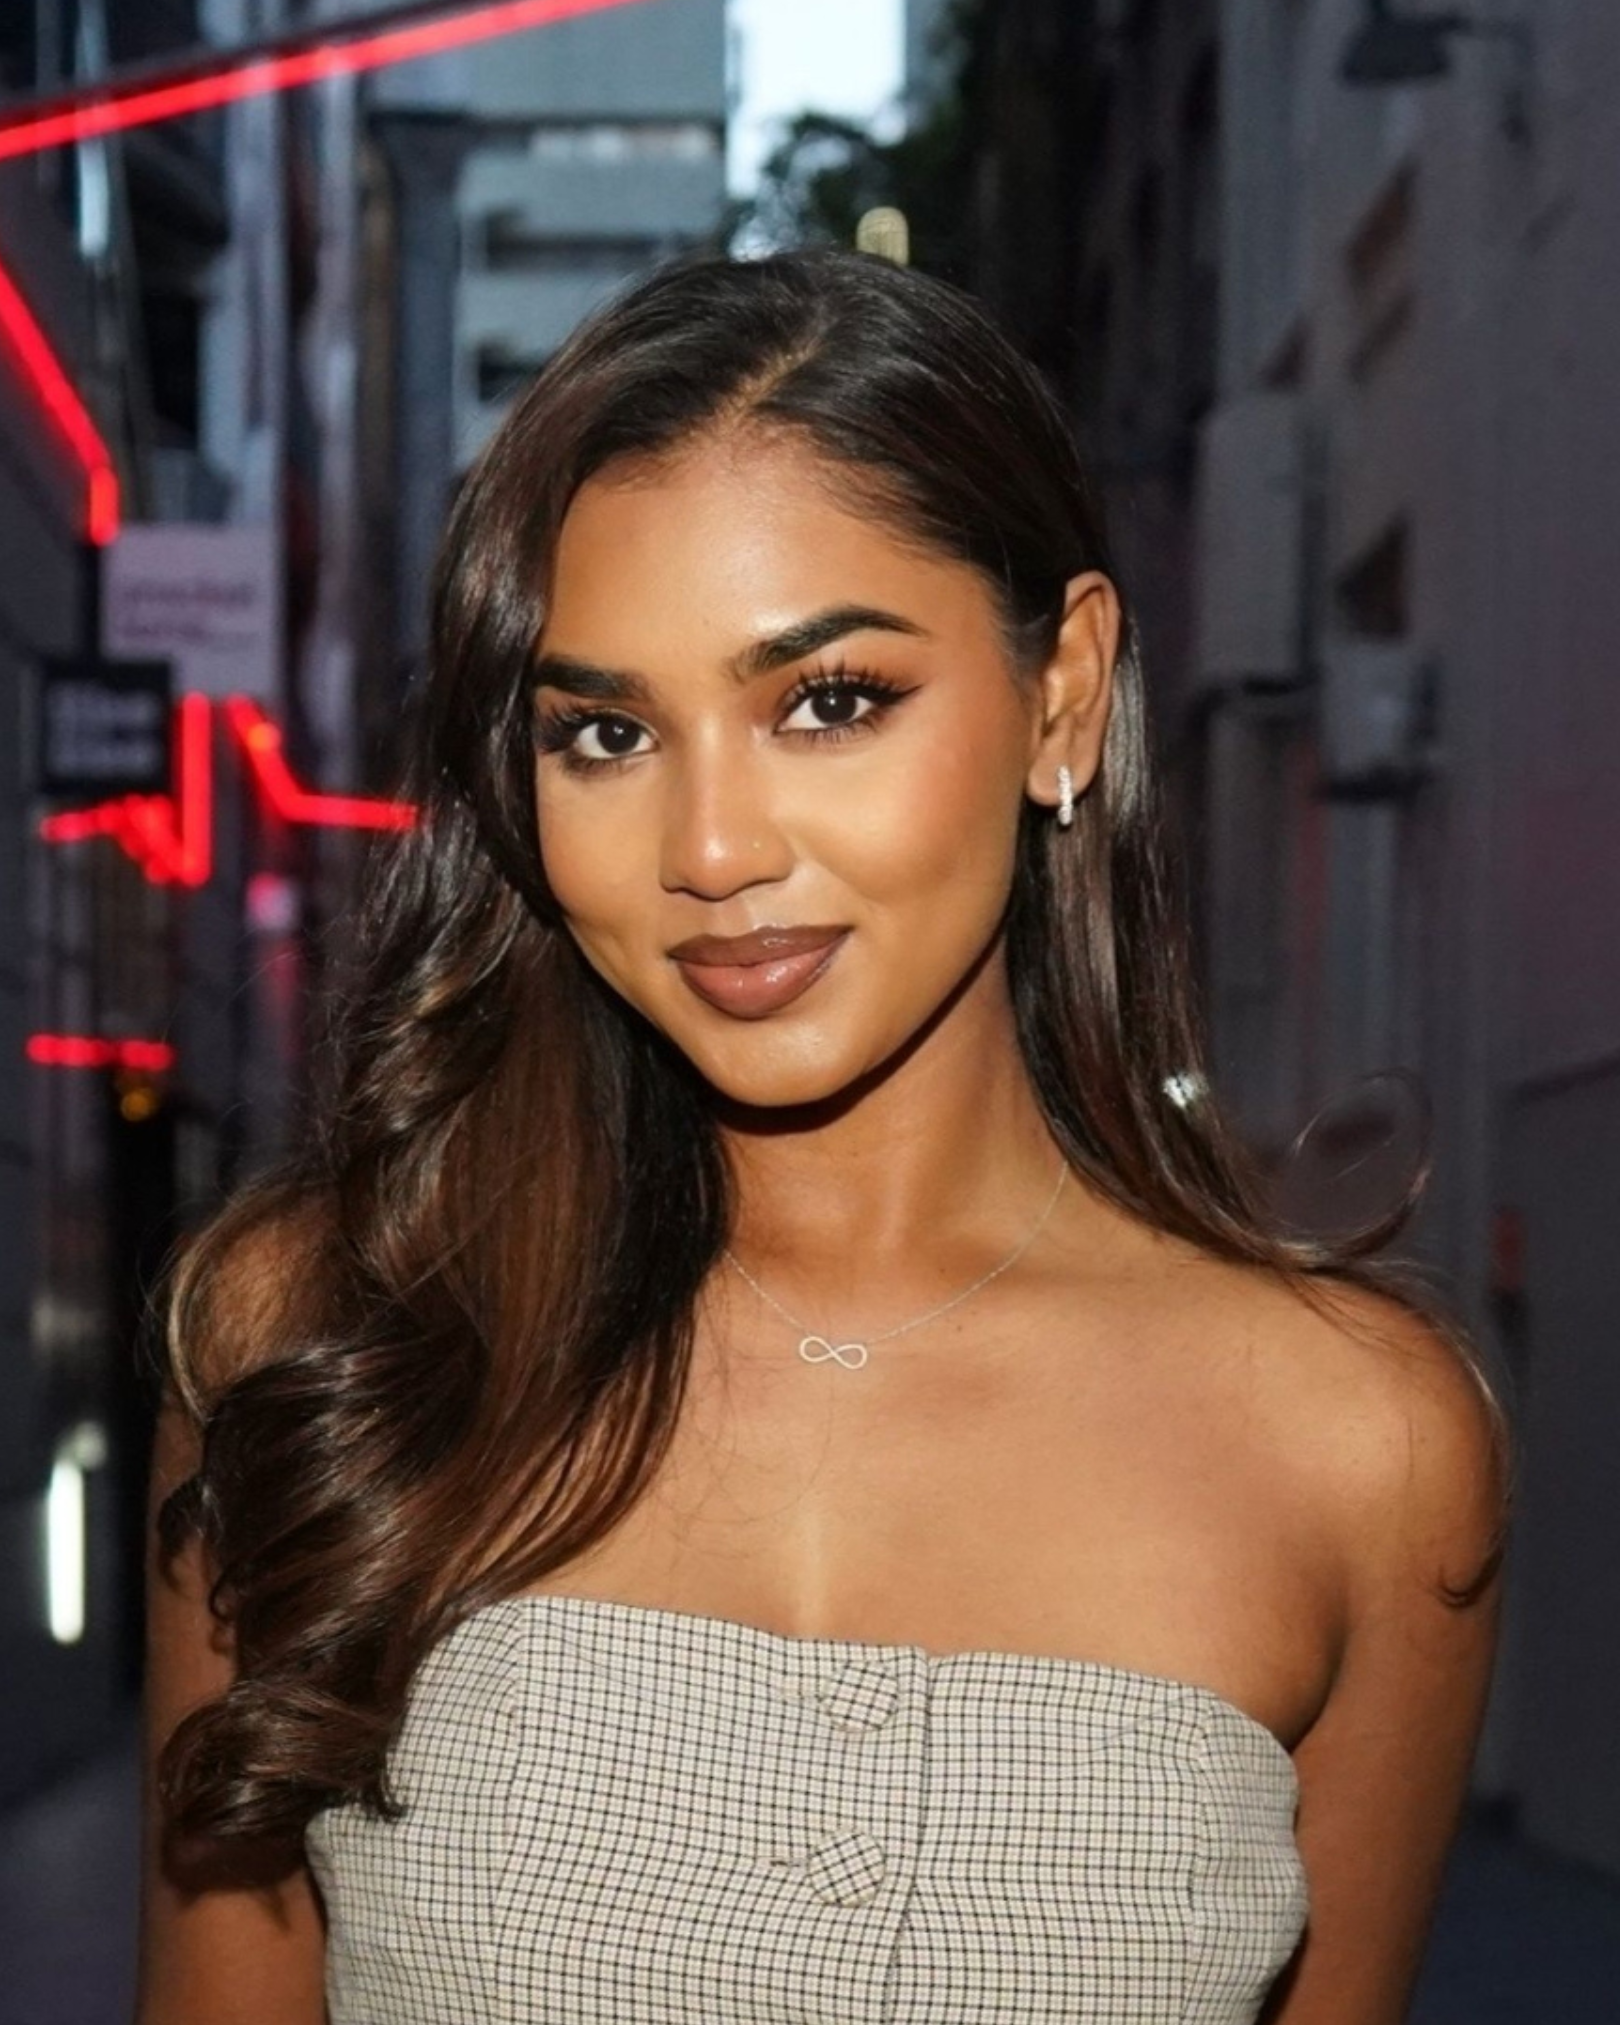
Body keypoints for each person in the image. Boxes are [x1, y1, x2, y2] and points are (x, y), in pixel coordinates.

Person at [136, 248, 1508, 2025]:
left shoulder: (1361, 1445)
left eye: (830, 701)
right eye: (608, 731)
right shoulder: (322, 1338)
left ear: (1064, 695)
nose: (713, 846)